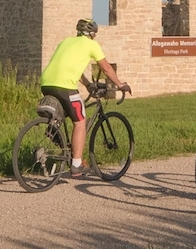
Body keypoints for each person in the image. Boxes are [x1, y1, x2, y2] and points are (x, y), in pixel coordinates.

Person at [40, 18, 131, 177]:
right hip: (65, 86)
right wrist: (120, 84)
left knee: (67, 112)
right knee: (80, 121)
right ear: (92, 34)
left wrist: (88, 84)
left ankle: (55, 132)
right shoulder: (92, 45)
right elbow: (106, 68)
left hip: (46, 83)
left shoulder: (65, 42)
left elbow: (70, 67)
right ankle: (76, 165)